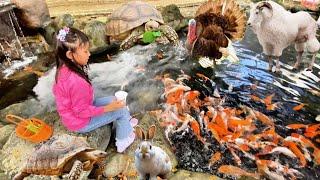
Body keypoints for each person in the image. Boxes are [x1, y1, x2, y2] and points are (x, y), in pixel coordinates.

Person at [52, 27, 138, 153]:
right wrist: (107, 109)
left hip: (74, 112)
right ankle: (123, 140)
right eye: (85, 51)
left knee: (114, 100)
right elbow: (81, 112)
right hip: (80, 122)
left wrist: (110, 105)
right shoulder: (76, 81)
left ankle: (126, 120)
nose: (89, 54)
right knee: (119, 109)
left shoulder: (64, 68)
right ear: (70, 55)